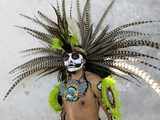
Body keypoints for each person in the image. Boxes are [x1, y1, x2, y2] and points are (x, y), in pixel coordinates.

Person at [3, 0, 160, 120]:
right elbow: (64, 112)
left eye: (75, 56)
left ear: (84, 60)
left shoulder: (95, 82)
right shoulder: (63, 86)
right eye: (67, 57)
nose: (70, 60)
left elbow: (111, 113)